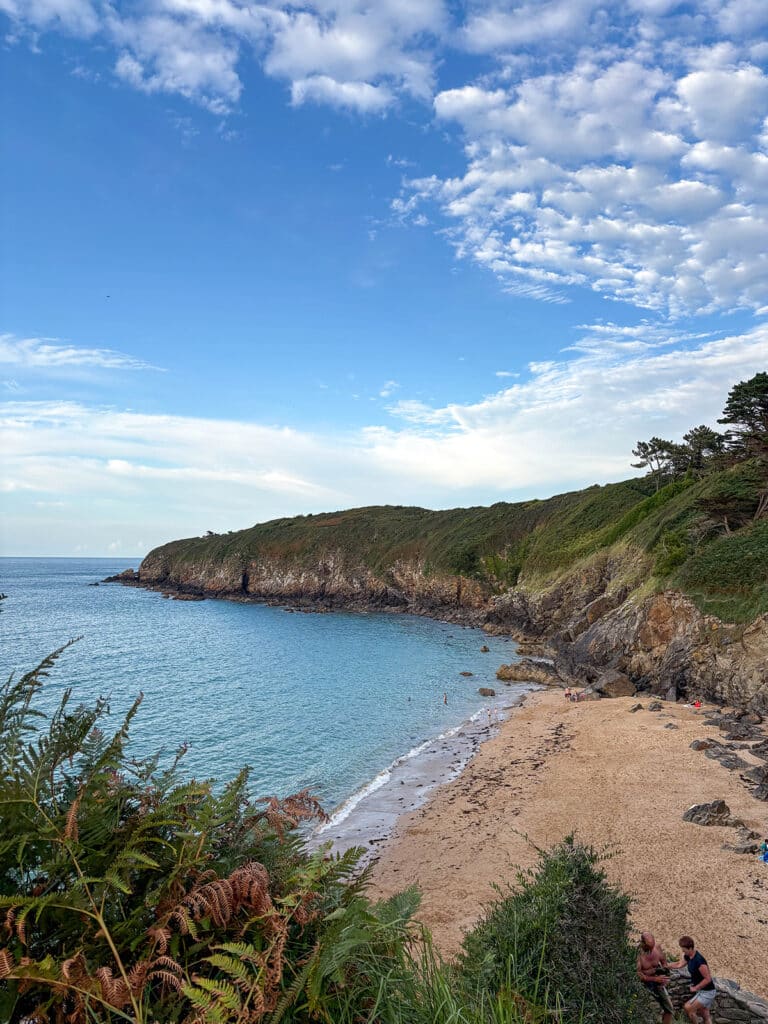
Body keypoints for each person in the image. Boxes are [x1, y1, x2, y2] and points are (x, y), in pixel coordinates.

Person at [669, 936, 716, 1023]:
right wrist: (667, 965)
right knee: (705, 1014)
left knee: (688, 1007)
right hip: (702, 991)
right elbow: (679, 964)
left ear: (690, 948)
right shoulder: (688, 956)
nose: (682, 951)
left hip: (708, 992)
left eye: (684, 949)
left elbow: (708, 979)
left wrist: (696, 988)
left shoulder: (699, 961)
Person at [637, 932, 674, 1024]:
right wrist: (654, 979)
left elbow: (664, 963)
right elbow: (638, 974)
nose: (650, 950)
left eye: (652, 947)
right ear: (642, 943)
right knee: (648, 1012)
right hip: (644, 984)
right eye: (648, 948)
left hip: (658, 982)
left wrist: (665, 977)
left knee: (669, 1009)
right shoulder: (637, 954)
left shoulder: (657, 948)